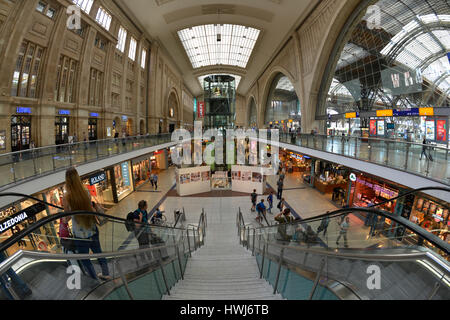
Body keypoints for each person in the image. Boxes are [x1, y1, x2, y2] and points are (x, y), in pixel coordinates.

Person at [63, 167, 111, 281]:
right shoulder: (85, 191)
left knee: (85, 258)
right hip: (92, 228)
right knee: (98, 252)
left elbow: (67, 215)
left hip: (80, 235)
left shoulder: (66, 197)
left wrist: (65, 220)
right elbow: (89, 207)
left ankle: (94, 278)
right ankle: (106, 273)